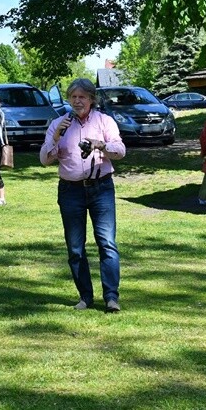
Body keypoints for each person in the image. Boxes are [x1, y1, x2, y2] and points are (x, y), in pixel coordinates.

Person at [40, 78, 126, 312]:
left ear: (91, 99)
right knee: (75, 247)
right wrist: (56, 136)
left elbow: (120, 151)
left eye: (82, 97)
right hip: (71, 191)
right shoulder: (59, 123)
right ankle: (85, 297)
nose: (77, 101)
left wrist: (100, 145)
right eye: (73, 97)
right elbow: (45, 159)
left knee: (107, 243)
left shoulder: (104, 121)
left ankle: (111, 297)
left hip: (101, 188)